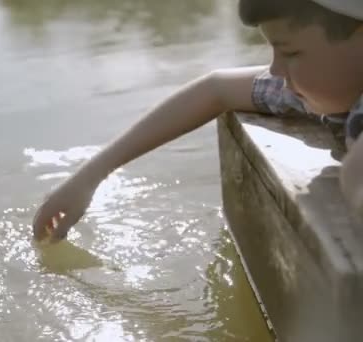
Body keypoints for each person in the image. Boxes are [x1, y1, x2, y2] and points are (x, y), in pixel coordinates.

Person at [33, 0, 363, 243]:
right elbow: (215, 89)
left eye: (291, 53)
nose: (274, 70)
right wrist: (90, 177)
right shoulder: (319, 84)